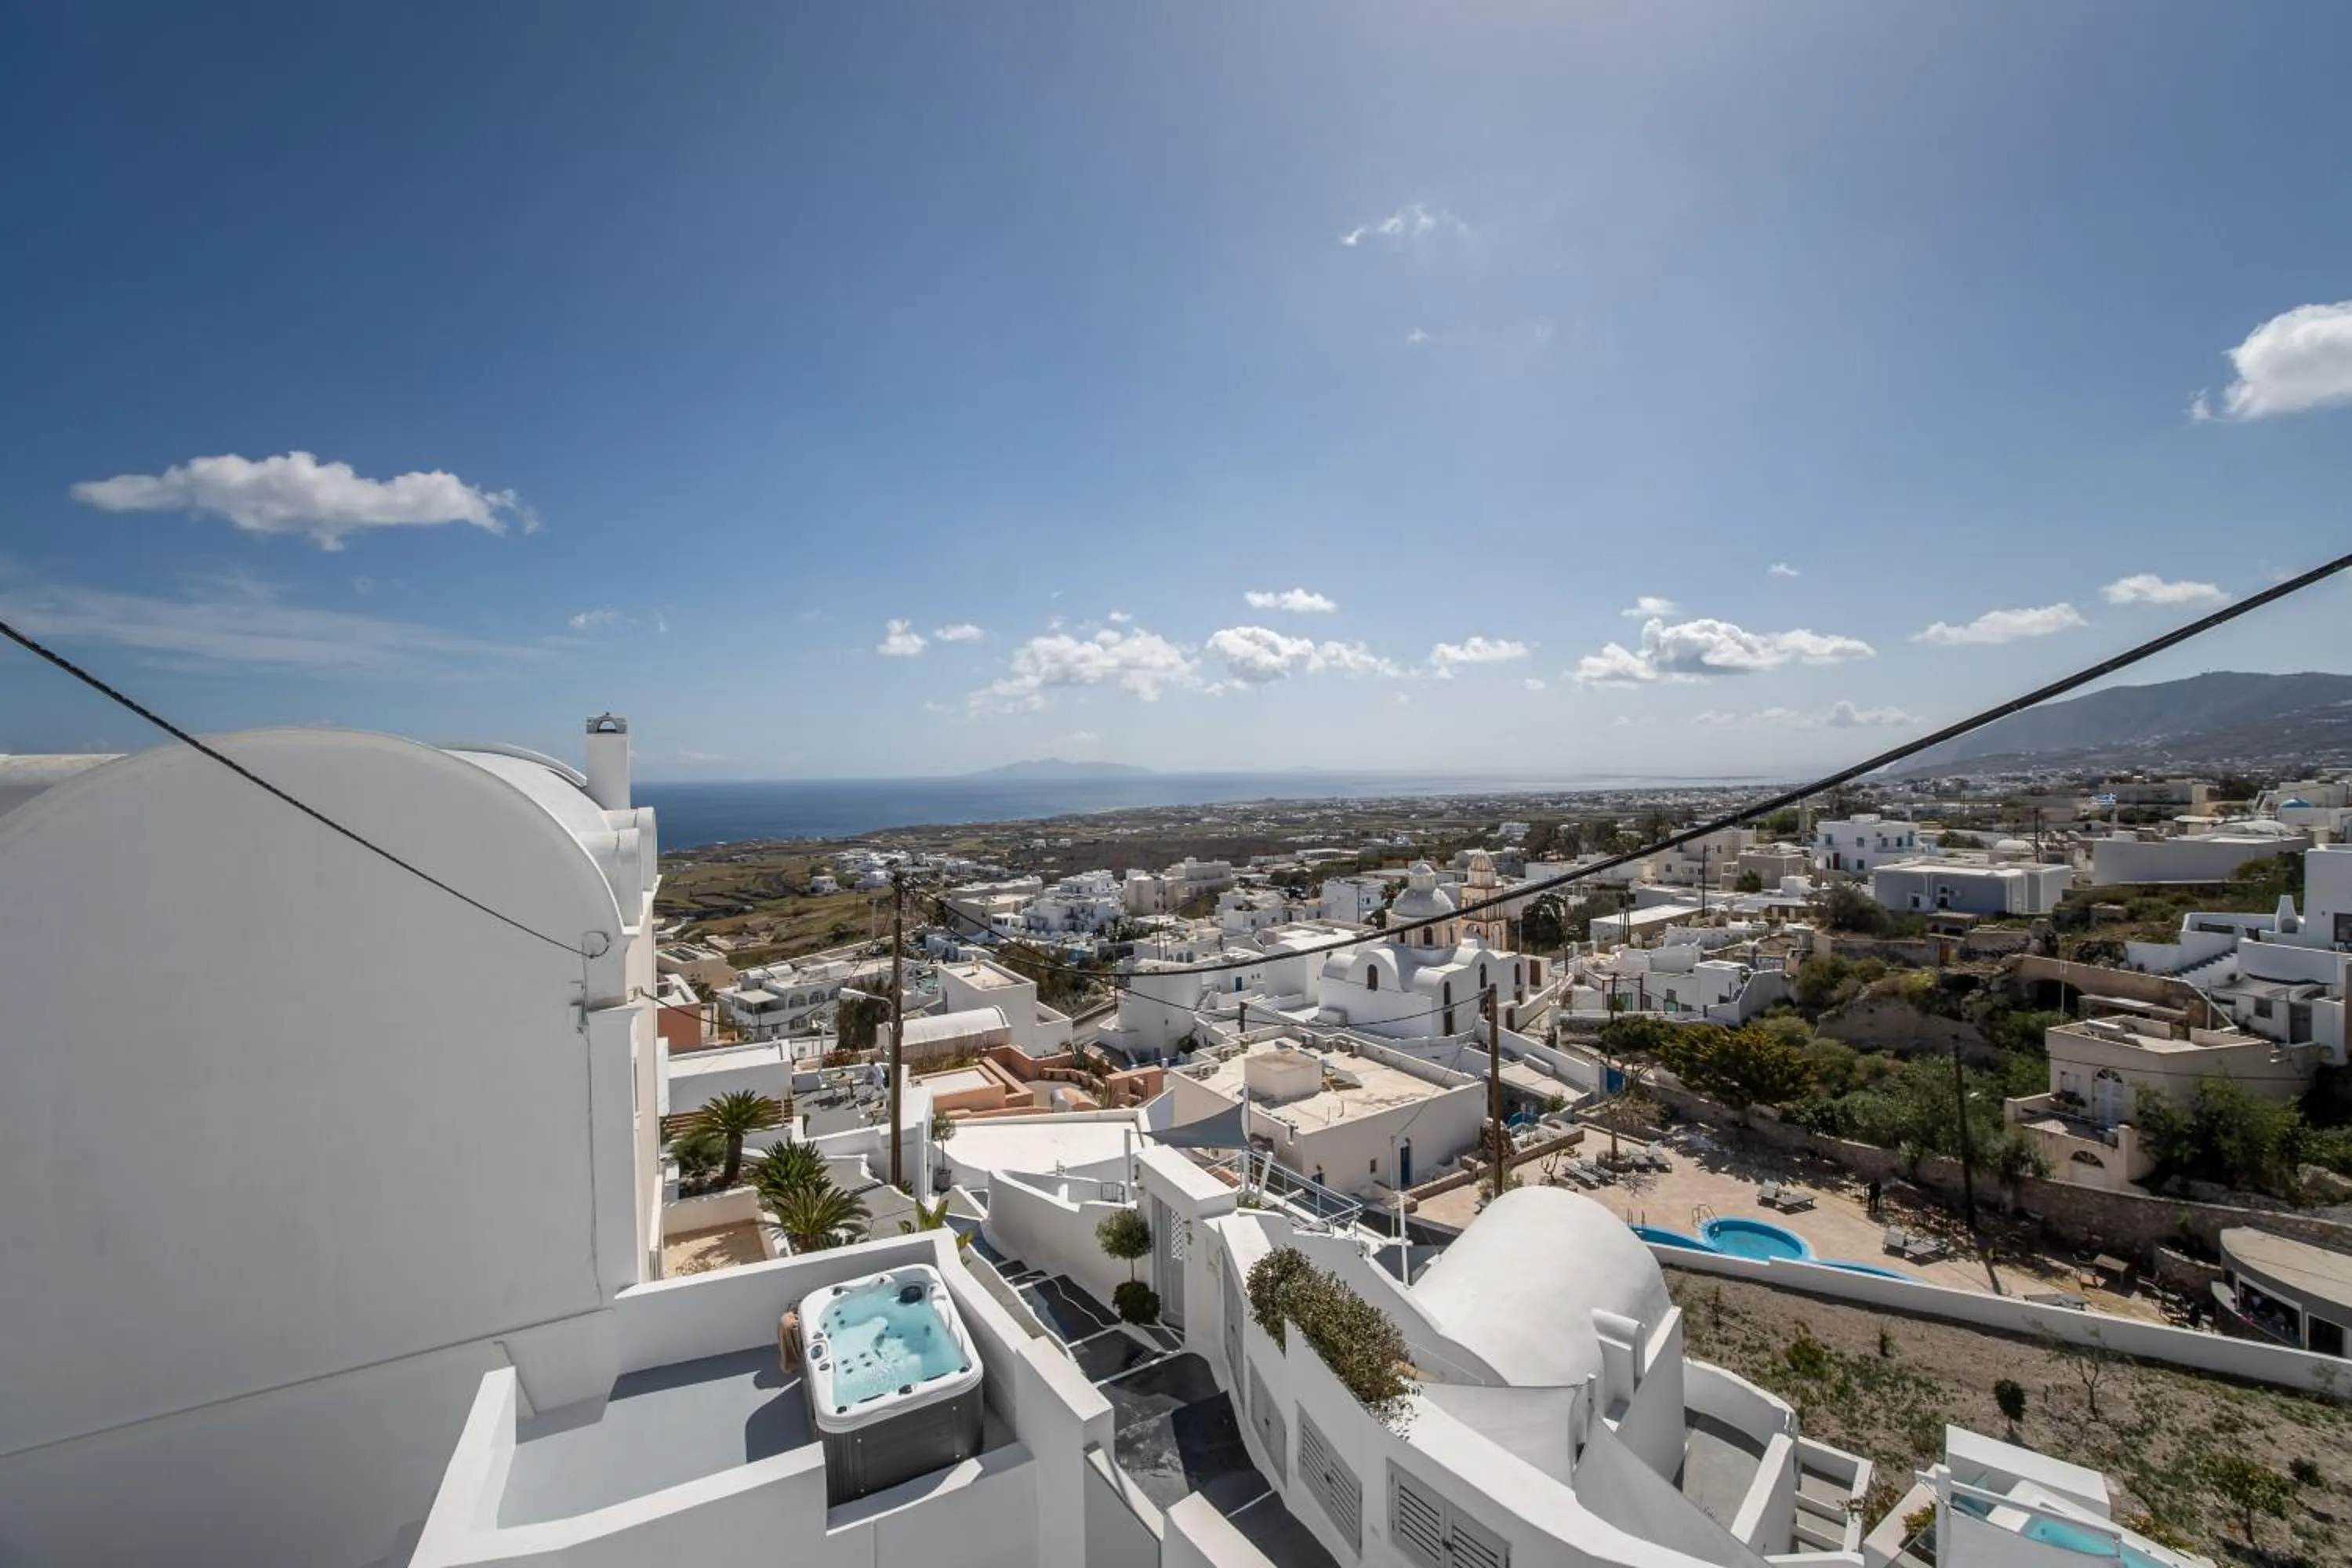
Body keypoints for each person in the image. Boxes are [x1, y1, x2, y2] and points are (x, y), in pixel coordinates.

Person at [778, 1308, 803, 1375]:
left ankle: (790, 1361)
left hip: (785, 1323)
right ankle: (794, 1361)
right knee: (791, 1346)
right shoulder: (793, 1321)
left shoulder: (784, 1318)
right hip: (789, 1324)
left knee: (786, 1346)